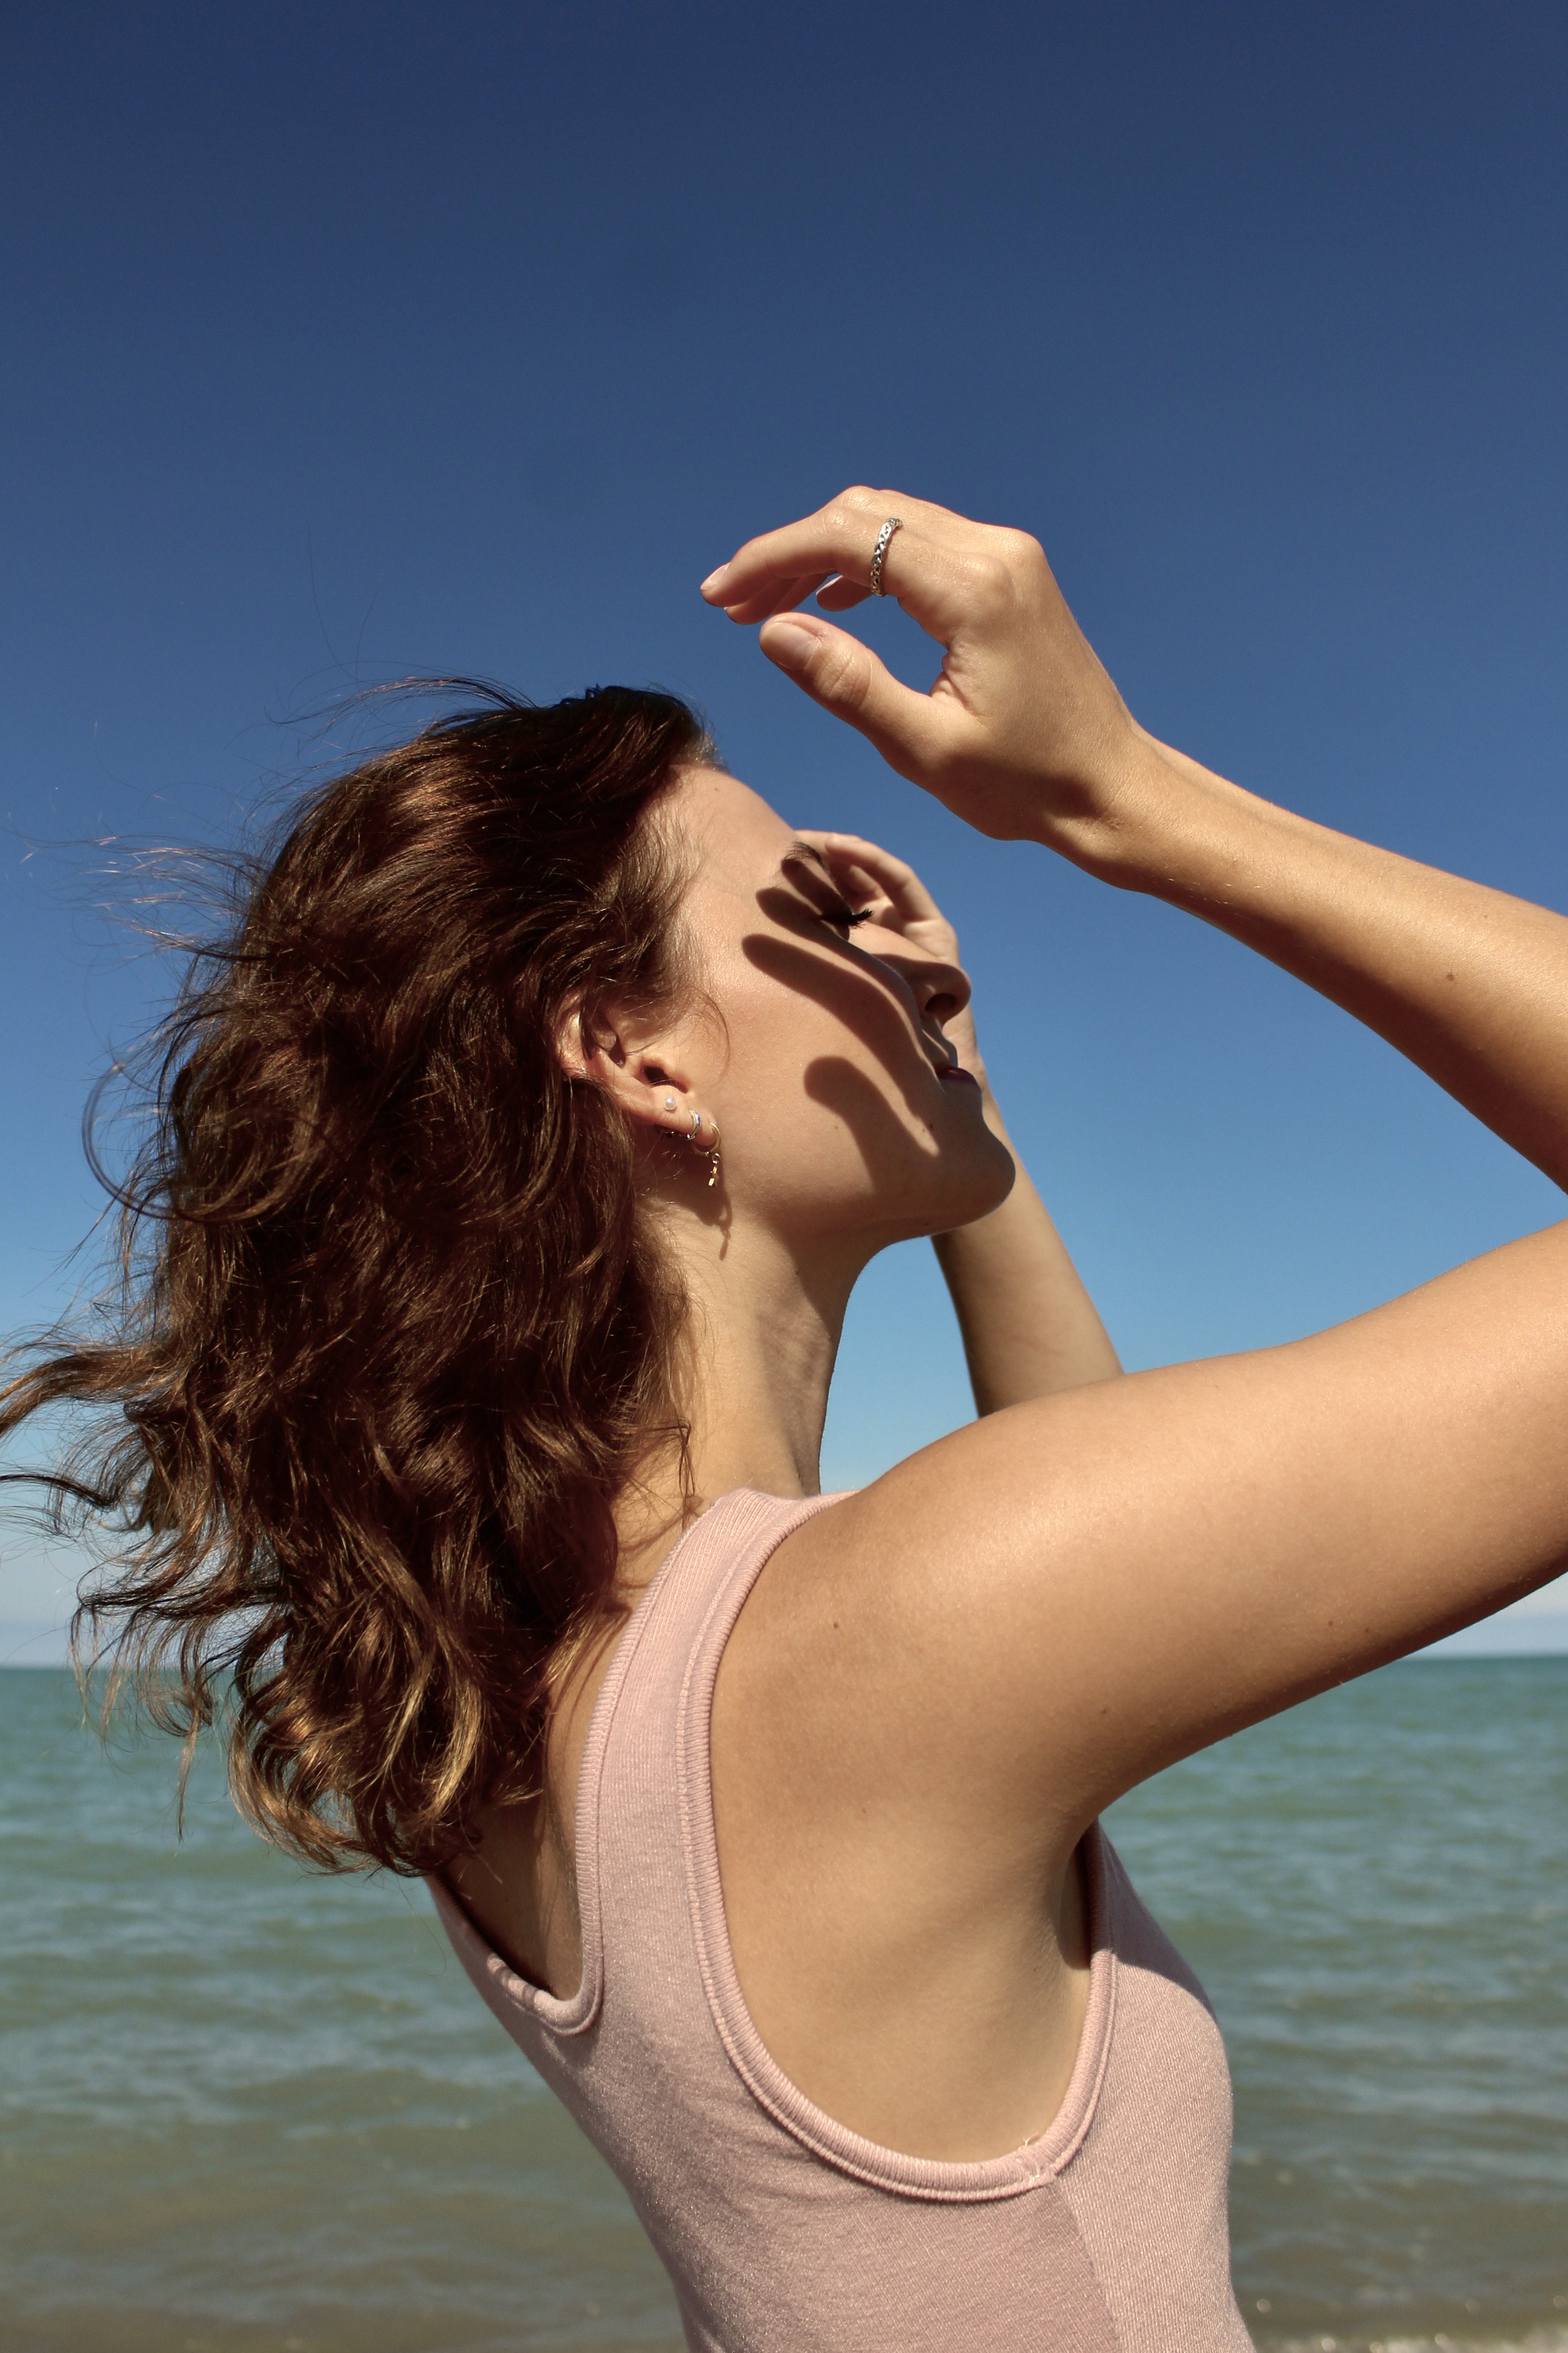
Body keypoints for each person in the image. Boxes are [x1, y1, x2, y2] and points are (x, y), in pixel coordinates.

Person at [7, 487, 1568, 2350]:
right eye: (803, 903)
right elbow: (1023, 1562)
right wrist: (1124, 800)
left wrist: (957, 1112)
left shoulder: (529, 1690)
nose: (892, 945)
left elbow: (1069, 1522)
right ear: (641, 1053)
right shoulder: (891, 1641)